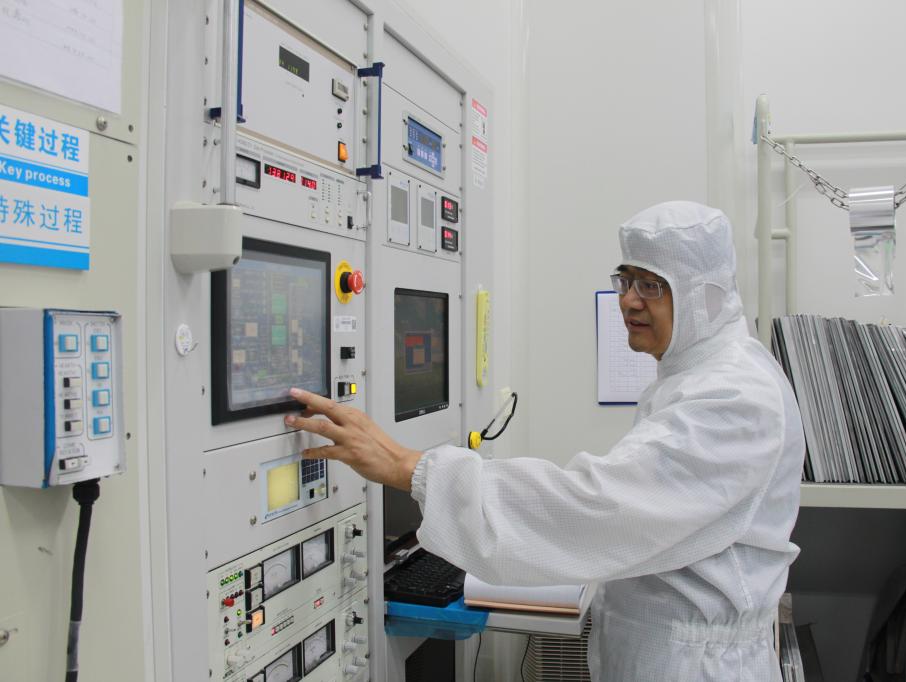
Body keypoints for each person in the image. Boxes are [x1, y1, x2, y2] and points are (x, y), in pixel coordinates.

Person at [285, 201, 805, 680]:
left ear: (701, 294)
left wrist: (411, 468)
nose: (628, 300)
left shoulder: (734, 395)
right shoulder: (693, 376)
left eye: (651, 285)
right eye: (626, 279)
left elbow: (604, 506)